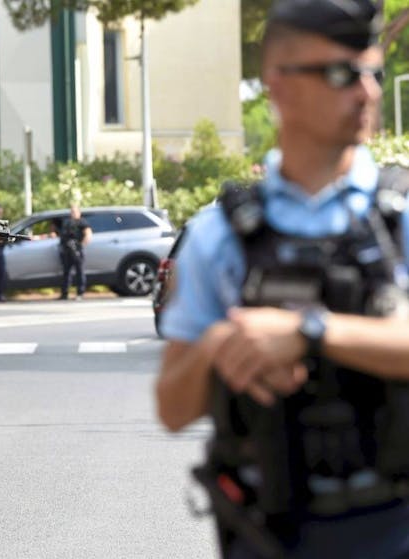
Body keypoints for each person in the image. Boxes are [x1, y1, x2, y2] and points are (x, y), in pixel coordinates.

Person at [156, 1, 409, 557]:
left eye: (373, 73)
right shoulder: (219, 234)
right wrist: (223, 343)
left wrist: (310, 332)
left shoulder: (401, 214)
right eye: (342, 74)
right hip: (271, 535)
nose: (366, 93)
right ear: (280, 87)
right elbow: (173, 409)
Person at [56, 203, 92, 300]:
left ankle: (80, 293)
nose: (73, 213)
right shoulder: (67, 222)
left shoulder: (82, 222)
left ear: (79, 212)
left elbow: (88, 235)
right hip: (67, 251)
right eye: (72, 211)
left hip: (77, 251)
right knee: (66, 273)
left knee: (79, 272)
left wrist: (80, 247)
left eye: (75, 211)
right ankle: (65, 293)